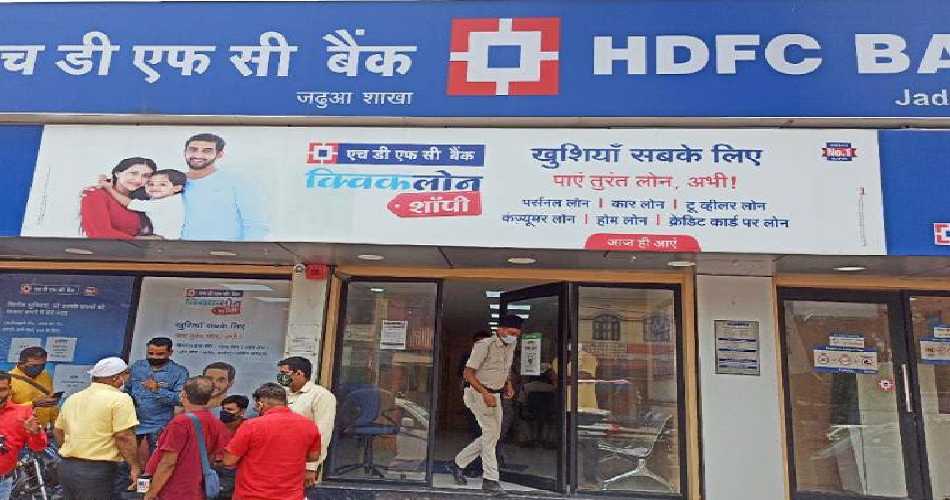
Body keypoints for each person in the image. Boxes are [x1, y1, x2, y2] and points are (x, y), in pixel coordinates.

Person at [448, 314, 523, 494]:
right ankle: (490, 480)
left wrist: (508, 385)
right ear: (500, 330)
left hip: (495, 395)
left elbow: (505, 368)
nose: (514, 337)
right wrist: (484, 393)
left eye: (517, 334)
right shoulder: (484, 345)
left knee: (492, 435)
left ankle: (457, 463)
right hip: (478, 394)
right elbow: (468, 374)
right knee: (490, 435)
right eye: (511, 333)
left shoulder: (511, 345)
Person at [55, 357, 140, 500]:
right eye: (126, 374)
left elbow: (58, 431)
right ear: (116, 378)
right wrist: (134, 466)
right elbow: (124, 436)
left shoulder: (73, 398)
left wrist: (75, 449)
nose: (128, 378)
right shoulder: (120, 399)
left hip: (67, 467)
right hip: (97, 471)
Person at [221, 383, 321, 500]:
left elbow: (228, 460)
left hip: (251, 495)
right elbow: (313, 457)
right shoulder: (309, 426)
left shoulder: (251, 426)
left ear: (260, 404)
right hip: (291, 496)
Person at [143, 376, 230, 500]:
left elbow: (168, 463)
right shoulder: (217, 424)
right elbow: (219, 458)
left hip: (173, 490)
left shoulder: (180, 423)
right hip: (197, 489)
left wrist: (151, 492)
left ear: (183, 394)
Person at [179, 133, 269, 241]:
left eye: (207, 151)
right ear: (185, 152)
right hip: (182, 248)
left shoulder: (237, 182)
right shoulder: (171, 182)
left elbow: (256, 226)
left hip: (226, 249)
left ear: (219, 154)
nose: (198, 155)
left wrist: (243, 251)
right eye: (193, 149)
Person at [278, 356, 336, 487]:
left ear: (299, 373)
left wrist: (311, 466)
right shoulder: (282, 394)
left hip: (303, 460)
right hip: (280, 458)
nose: (281, 377)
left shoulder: (321, 396)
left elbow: (322, 433)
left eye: (284, 373)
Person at [128, 337, 190, 454]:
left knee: (157, 458)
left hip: (159, 425)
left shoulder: (179, 372)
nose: (154, 357)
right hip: (133, 421)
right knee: (127, 457)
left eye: (160, 354)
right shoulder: (137, 366)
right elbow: (127, 390)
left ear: (170, 352)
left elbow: (181, 400)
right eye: (150, 353)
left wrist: (157, 390)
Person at [80, 157, 157, 239]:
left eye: (146, 176)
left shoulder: (139, 200)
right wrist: (139, 240)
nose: (139, 180)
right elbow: (99, 233)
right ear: (117, 173)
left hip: (136, 247)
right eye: (133, 173)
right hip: (107, 247)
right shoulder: (95, 194)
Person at [99, 168, 186, 240]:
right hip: (172, 238)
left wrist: (109, 189)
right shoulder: (176, 198)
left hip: (164, 240)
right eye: (151, 184)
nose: (154, 188)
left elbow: (129, 203)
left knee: (129, 240)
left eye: (162, 184)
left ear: (177, 188)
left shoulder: (163, 203)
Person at [0, 372, 48, 500]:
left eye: (2, 390)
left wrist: (35, 433)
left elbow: (38, 447)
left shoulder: (24, 413)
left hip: (3, 484)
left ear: (10, 390)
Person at [9, 346, 59, 427]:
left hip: (42, 430)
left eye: (42, 365)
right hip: (18, 429)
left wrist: (55, 425)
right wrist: (34, 404)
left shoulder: (45, 376)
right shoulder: (8, 380)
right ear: (21, 363)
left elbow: (51, 405)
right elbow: (5, 410)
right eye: (34, 366)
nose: (39, 369)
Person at [214, 395, 249, 500]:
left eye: (230, 409)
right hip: (213, 470)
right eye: (223, 409)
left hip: (236, 472)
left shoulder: (248, 428)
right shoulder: (215, 425)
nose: (225, 412)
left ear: (242, 412)